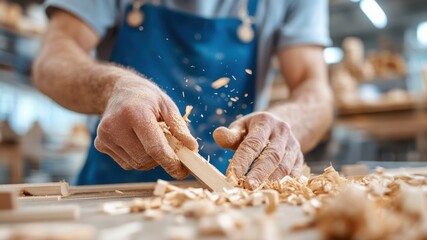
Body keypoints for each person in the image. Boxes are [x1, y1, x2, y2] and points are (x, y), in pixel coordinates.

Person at [33, 0, 333, 189]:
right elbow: (53, 60)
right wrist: (114, 86)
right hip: (114, 184)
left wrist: (285, 122)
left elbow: (314, 89)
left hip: (230, 191)